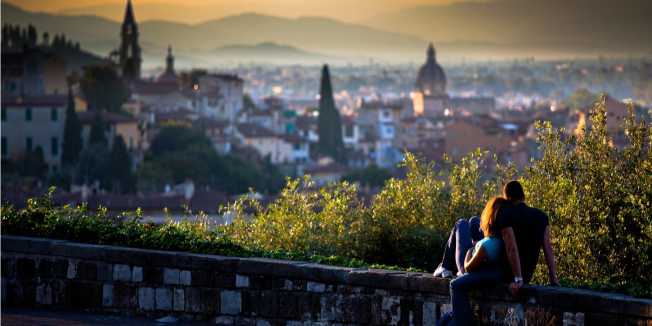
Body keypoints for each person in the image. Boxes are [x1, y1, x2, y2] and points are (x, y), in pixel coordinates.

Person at [438, 197, 508, 326]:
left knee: (461, 223)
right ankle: (444, 266)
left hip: (470, 264)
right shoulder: (502, 236)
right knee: (474, 221)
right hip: (486, 257)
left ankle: (445, 266)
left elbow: (468, 267)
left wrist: (472, 249)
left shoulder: (487, 245)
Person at [496, 180, 559, 296]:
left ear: (507, 198)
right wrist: (553, 278)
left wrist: (517, 278)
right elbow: (548, 249)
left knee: (473, 224)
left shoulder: (505, 214)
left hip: (507, 275)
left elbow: (511, 248)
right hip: (527, 274)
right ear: (523, 196)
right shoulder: (541, 217)